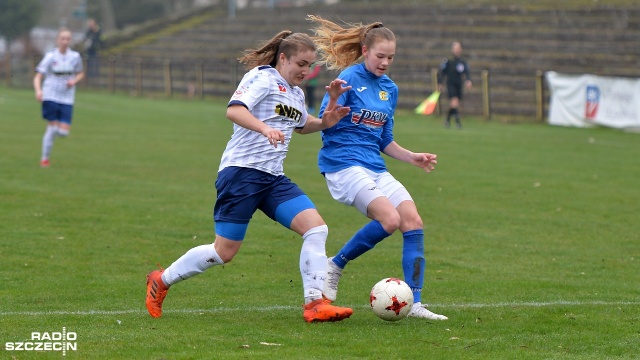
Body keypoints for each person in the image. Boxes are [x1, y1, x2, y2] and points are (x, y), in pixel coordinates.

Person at [145, 30, 354, 323]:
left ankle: (315, 304)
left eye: (309, 66)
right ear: (283, 58)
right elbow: (234, 110)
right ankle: (161, 280)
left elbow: (303, 125)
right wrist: (264, 128)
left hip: (273, 179)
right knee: (224, 252)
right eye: (300, 64)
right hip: (241, 174)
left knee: (316, 229)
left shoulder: (296, 92)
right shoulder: (263, 77)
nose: (305, 71)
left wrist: (326, 119)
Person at [308, 15, 448, 320]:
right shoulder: (347, 79)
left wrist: (412, 157)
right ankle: (335, 264)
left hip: (373, 165)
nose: (385, 62)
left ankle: (416, 304)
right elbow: (324, 125)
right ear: (365, 51)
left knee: (412, 221)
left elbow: (384, 139)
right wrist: (332, 101)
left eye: (391, 57)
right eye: (380, 56)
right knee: (389, 219)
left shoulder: (390, 89)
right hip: (342, 164)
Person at [33, 28, 85, 168]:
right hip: (50, 95)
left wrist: (74, 81)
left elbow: (80, 73)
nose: (65, 41)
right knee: (53, 128)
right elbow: (38, 76)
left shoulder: (75, 56)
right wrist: (39, 91)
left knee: (63, 133)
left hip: (67, 97)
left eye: (67, 39)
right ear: (58, 40)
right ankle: (45, 159)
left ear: (70, 41)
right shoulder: (50, 56)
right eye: (62, 38)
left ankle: (48, 144)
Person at [438, 41, 472, 129]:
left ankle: (447, 121)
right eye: (455, 48)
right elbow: (442, 72)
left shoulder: (462, 61)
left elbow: (467, 72)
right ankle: (458, 123)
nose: (457, 50)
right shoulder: (448, 60)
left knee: (455, 104)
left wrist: (468, 80)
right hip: (450, 84)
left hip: (459, 84)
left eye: (458, 48)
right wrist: (440, 83)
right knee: (454, 101)